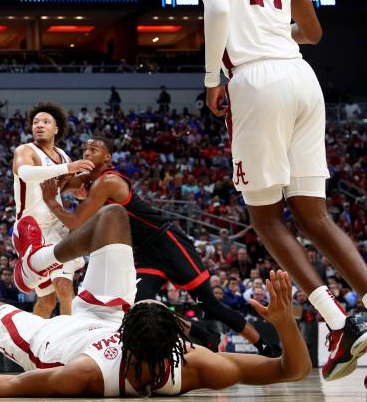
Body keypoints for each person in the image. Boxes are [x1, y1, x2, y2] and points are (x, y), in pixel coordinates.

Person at [186, 0, 367, 380]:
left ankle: (338, 323)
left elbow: (218, 9)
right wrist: (269, 30)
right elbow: (313, 32)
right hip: (302, 77)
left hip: (256, 81)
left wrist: (210, 79)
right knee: (315, 215)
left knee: (266, 218)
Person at [0, 205, 312, 398]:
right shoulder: (195, 365)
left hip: (56, 343)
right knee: (112, 217)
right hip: (108, 318)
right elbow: (292, 371)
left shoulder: (83, 376)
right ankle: (39, 262)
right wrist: (285, 323)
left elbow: (8, 387)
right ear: (179, 347)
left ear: (126, 337)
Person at [44, 137, 280, 356]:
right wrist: (62, 171)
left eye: (93, 149)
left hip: (167, 241)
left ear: (107, 157)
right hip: (144, 252)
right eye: (84, 149)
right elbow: (59, 184)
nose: (87, 152)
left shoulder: (108, 181)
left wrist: (51, 202)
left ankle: (265, 347)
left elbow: (75, 222)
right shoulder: (91, 179)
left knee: (211, 305)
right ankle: (203, 335)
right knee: (141, 307)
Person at [11, 102, 94, 318]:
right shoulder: (25, 151)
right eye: (36, 122)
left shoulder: (63, 156)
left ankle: (66, 346)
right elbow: (26, 174)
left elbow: (64, 186)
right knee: (46, 301)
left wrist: (79, 189)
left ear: (56, 129)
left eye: (46, 122)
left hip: (57, 228)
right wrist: (69, 169)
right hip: (31, 229)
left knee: (65, 289)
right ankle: (33, 345)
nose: (39, 125)